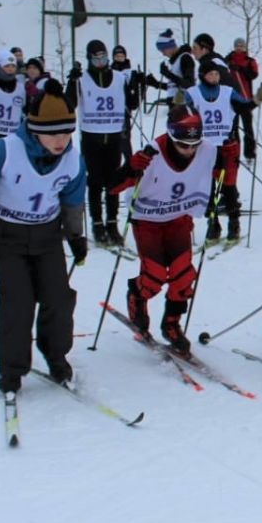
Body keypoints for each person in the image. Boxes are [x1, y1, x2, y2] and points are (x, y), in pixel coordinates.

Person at [0, 79, 87, 394]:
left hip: (46, 236)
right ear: (35, 129)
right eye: (53, 133)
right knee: (18, 301)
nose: (61, 140)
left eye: (67, 132)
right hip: (5, 235)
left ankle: (56, 357)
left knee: (58, 297)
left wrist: (76, 237)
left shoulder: (73, 159)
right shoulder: (4, 150)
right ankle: (12, 371)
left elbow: (71, 200)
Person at [110, 106, 222, 354]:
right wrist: (131, 167)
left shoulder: (208, 150)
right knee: (154, 277)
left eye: (194, 144)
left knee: (183, 276)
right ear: (171, 137)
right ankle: (137, 294)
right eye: (183, 145)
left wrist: (230, 161)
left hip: (178, 220)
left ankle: (171, 324)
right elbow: (112, 187)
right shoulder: (153, 153)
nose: (190, 150)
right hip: (148, 221)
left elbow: (225, 173)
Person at [67, 40, 139, 246]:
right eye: (96, 58)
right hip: (91, 137)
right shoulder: (82, 79)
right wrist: (71, 82)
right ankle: (97, 223)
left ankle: (112, 222)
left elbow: (132, 104)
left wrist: (135, 86)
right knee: (95, 182)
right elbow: (69, 103)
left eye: (103, 58)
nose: (100, 62)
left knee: (113, 182)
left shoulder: (118, 78)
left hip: (114, 136)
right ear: (89, 59)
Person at [185, 59, 262, 243]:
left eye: (217, 74)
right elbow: (181, 114)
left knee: (228, 186)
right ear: (203, 75)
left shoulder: (227, 92)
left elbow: (243, 107)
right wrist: (178, 104)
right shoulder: (193, 94)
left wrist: (256, 101)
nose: (214, 77)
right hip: (204, 148)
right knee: (208, 188)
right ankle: (213, 224)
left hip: (226, 146)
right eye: (211, 74)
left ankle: (234, 223)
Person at [225, 37, 260, 159]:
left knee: (248, 127)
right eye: (237, 46)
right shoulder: (228, 59)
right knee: (233, 127)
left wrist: (241, 69)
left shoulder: (250, 61)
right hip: (232, 98)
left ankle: (249, 153)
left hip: (245, 97)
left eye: (241, 46)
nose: (239, 48)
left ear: (245, 47)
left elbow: (253, 75)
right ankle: (234, 151)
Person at [148, 29, 195, 104]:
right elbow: (173, 87)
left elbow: (188, 84)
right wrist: (156, 84)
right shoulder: (175, 62)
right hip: (176, 103)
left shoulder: (185, 58)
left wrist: (168, 74)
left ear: (171, 46)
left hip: (182, 104)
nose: (163, 54)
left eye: (163, 50)